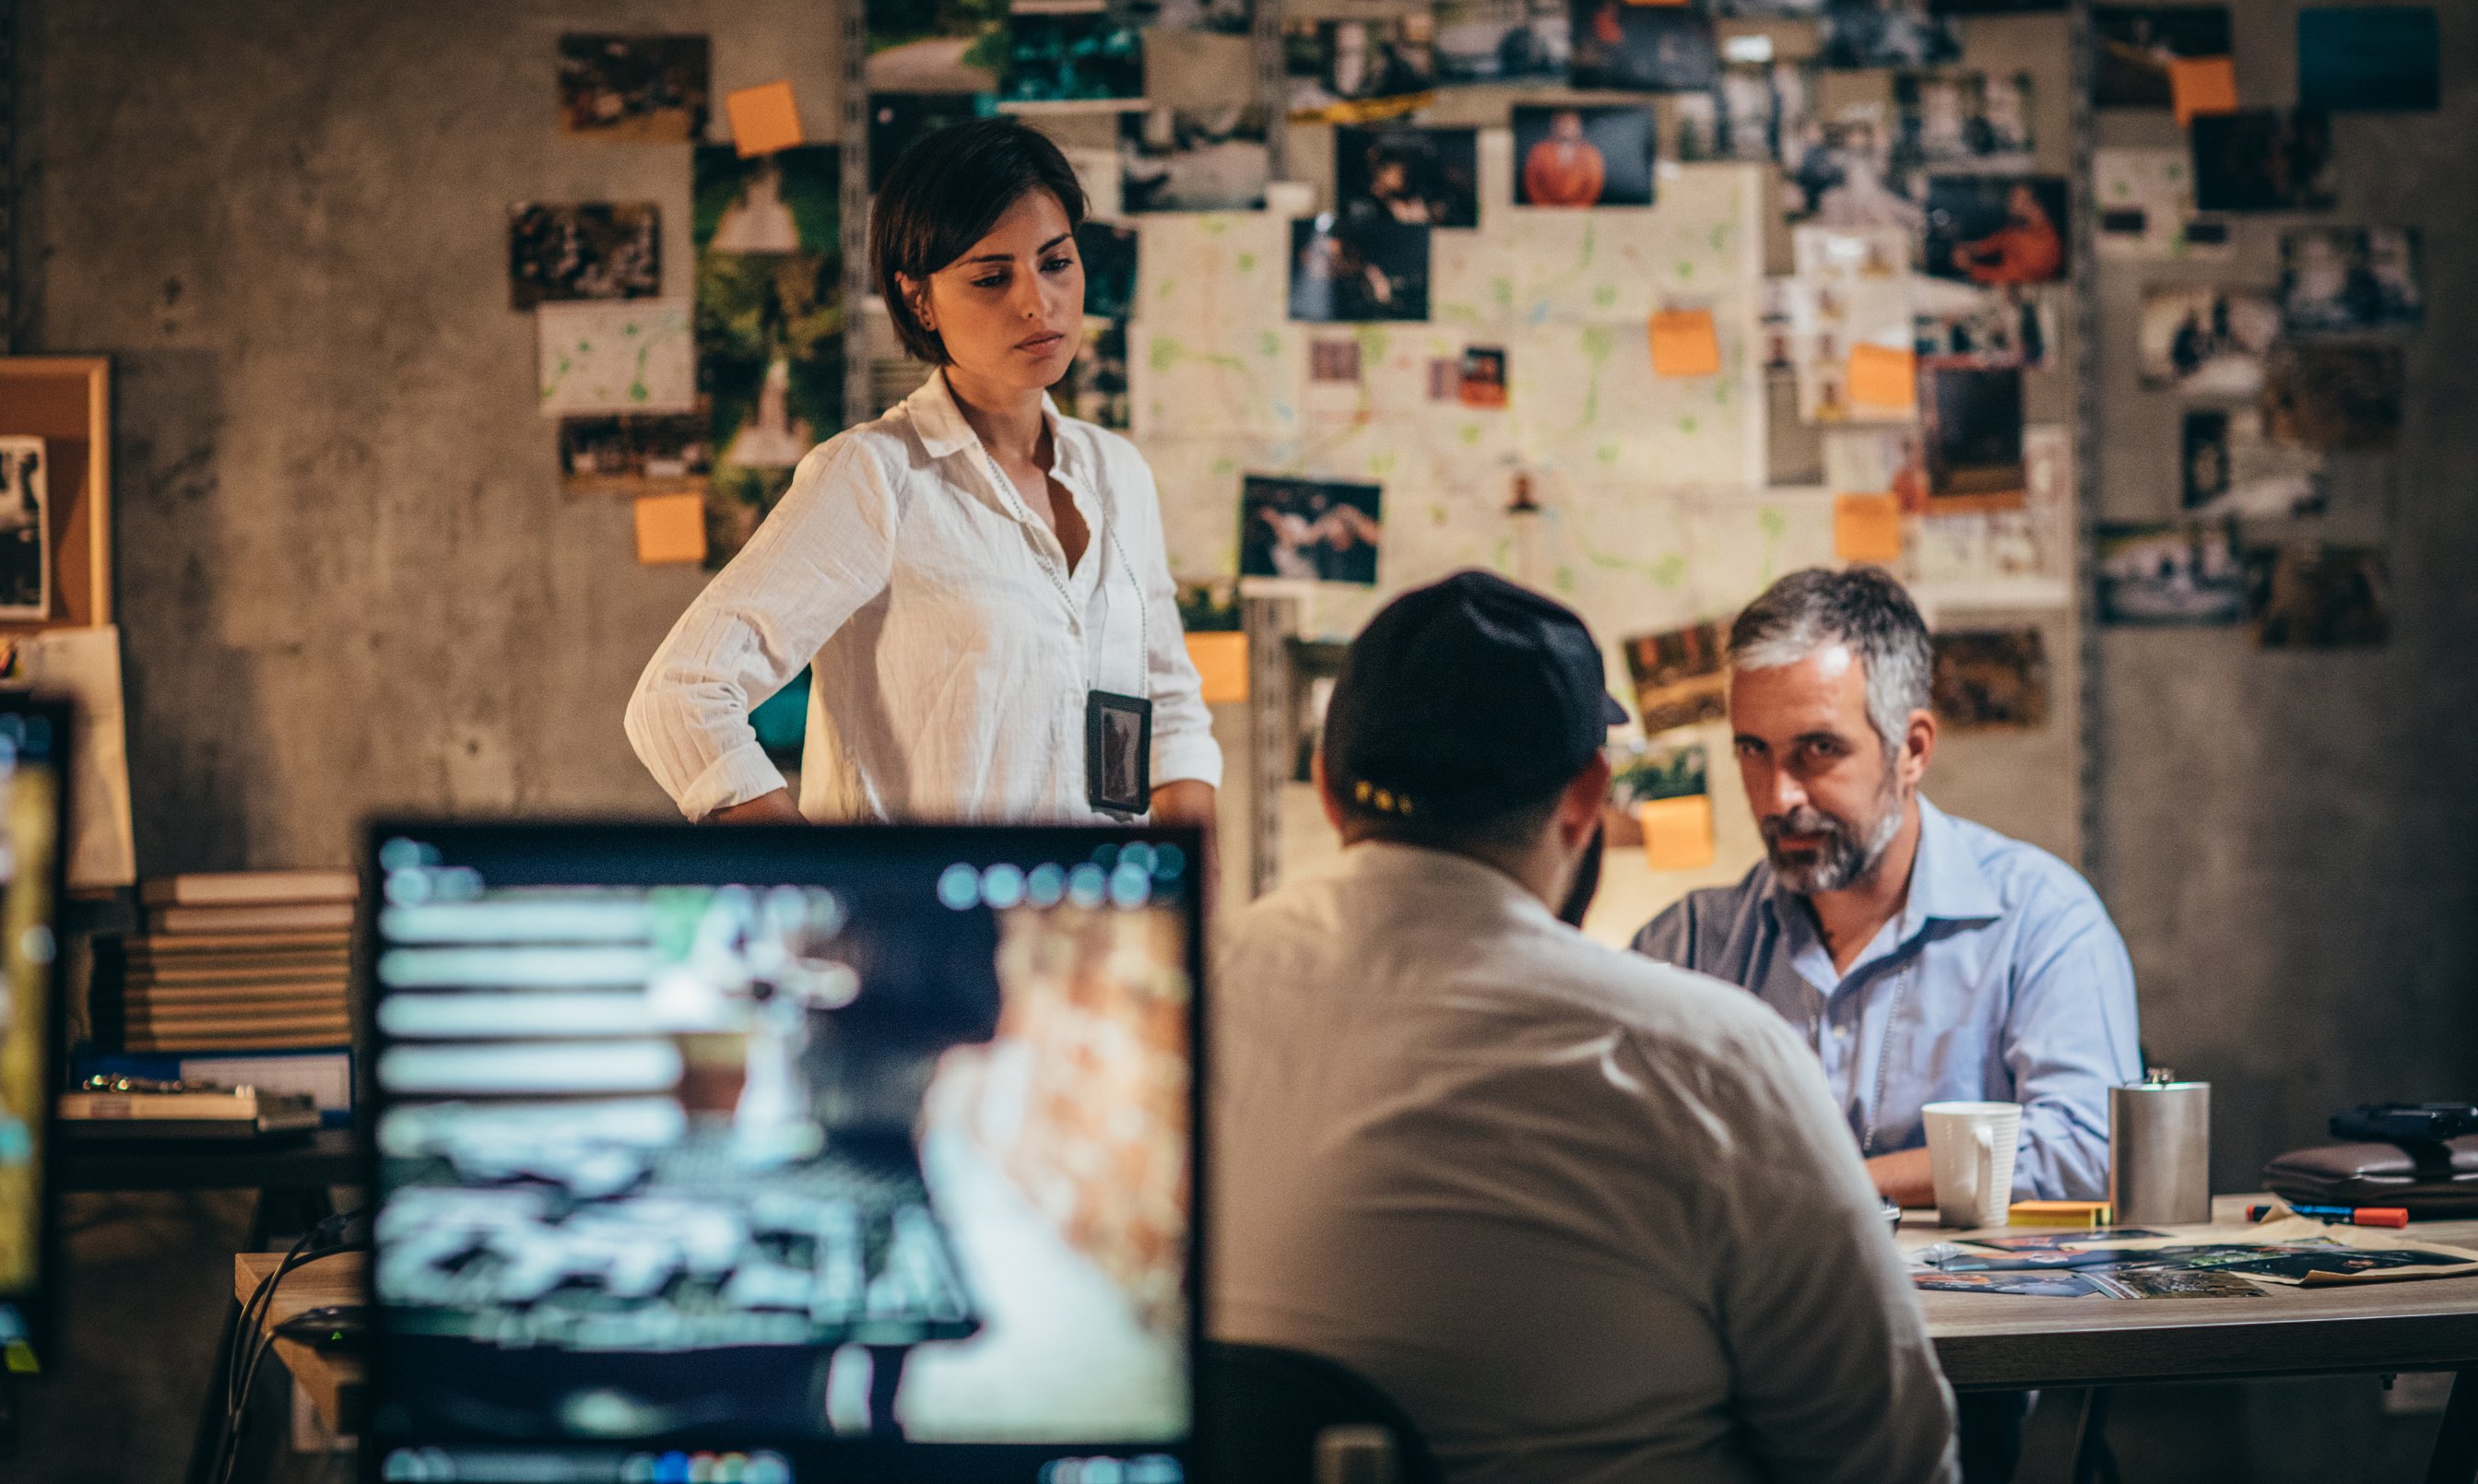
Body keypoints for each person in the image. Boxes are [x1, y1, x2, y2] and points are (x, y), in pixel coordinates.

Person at [1216, 570, 1959, 1484]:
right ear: (1585, 797)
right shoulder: (1712, 1060)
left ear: (1328, 790)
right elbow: (1892, 1462)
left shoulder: (1165, 1008)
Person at [626, 118, 1221, 851]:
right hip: (938, 938)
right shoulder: (875, 477)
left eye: (1056, 262)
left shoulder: (1117, 473)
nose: (1038, 302)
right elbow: (681, 696)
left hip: (1098, 932)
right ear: (919, 300)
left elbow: (1174, 712)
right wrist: (824, 876)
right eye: (992, 277)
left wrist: (1192, 910)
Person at [1634, 568, 2140, 1207]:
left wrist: (1823, 1186)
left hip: (1982, 1311)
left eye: (1818, 749)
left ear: (1913, 749)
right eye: (1753, 750)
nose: (1779, 794)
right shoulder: (1684, 947)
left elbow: (2086, 1147)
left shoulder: (2042, 919)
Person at [1950, 182, 2063, 285]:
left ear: (2034, 207)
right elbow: (1997, 241)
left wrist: (1969, 267)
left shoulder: (2044, 247)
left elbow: (2007, 279)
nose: (2009, 203)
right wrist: (1970, 248)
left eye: (2014, 198)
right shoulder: (2021, 225)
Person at [1521, 109, 1605, 207]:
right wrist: (1544, 207)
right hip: (1544, 211)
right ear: (1553, 126)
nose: (1566, 127)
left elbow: (1594, 186)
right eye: (1562, 123)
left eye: (1570, 123)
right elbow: (1531, 182)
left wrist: (1577, 209)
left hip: (1579, 212)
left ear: (1579, 127)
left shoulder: (1591, 153)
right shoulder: (1539, 151)